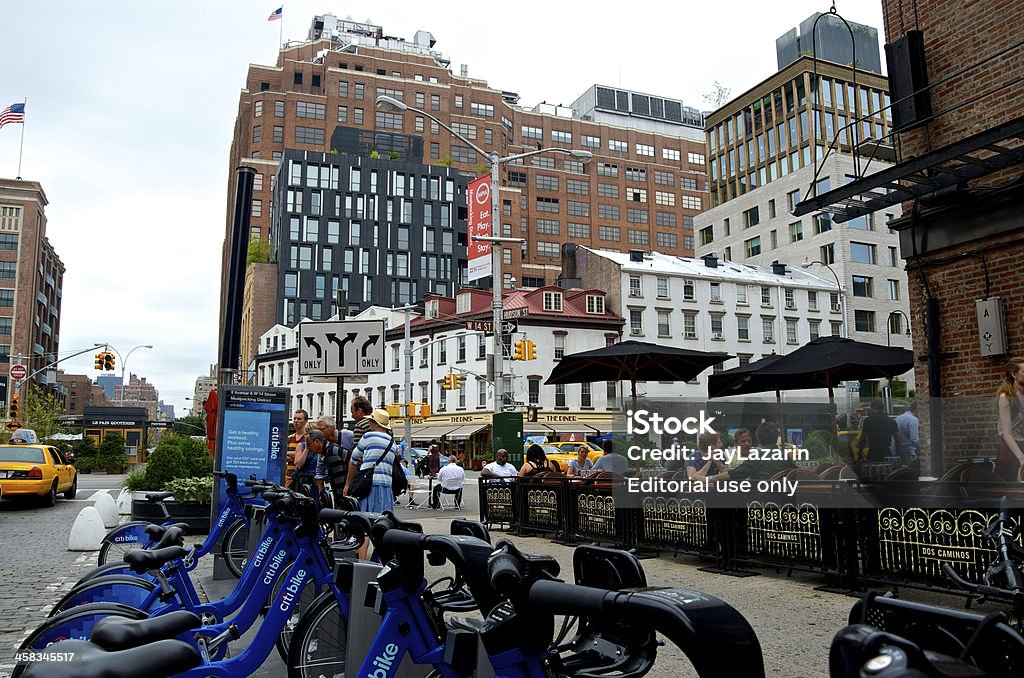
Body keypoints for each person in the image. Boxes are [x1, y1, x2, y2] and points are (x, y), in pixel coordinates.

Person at [343, 408, 396, 559]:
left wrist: (348, 484)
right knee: (382, 525)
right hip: (386, 488)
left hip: (368, 486)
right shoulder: (392, 443)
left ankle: (362, 561)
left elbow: (353, 459)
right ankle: (378, 560)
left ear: (373, 423)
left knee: (364, 525)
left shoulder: (368, 436)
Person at [995, 357, 1024, 481]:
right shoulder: (1005, 397)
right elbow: (1007, 433)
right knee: (1012, 490)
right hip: (1011, 450)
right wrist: (1021, 458)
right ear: (1014, 374)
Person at [293, 428, 326, 501]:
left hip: (316, 482)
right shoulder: (302, 446)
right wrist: (306, 448)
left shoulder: (321, 448)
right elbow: (298, 465)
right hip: (304, 481)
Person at [285, 409, 309, 488]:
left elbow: (308, 457)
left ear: (306, 421)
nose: (296, 421)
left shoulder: (307, 438)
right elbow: (284, 457)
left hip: (303, 477)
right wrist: (298, 455)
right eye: (294, 418)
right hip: (289, 477)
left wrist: (290, 453)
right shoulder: (289, 438)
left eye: (299, 419)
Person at [893, 401, 920, 466]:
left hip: (897, 452)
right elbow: (914, 440)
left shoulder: (898, 418)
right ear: (916, 410)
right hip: (908, 453)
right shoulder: (913, 420)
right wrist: (922, 450)